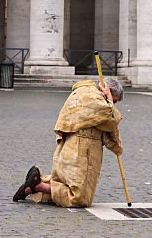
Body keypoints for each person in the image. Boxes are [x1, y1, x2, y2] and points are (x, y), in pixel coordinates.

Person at [13, 77, 124, 207]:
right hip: (85, 148)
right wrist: (109, 99)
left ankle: (32, 186)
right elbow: (111, 118)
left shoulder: (81, 92)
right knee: (80, 197)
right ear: (107, 90)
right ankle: (39, 185)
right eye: (114, 101)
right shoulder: (95, 98)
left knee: (66, 181)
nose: (113, 104)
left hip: (70, 143)